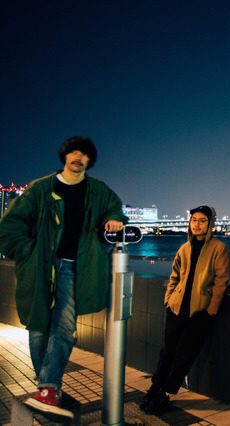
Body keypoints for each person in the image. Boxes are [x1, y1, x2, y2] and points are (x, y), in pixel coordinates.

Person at [0, 137, 126, 420]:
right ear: (65, 156)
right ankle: (48, 389)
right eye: (73, 152)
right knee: (38, 326)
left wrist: (115, 218)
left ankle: (47, 389)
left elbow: (115, 209)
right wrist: (28, 252)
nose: (78, 157)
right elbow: (9, 226)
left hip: (74, 267)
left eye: (84, 154)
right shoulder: (40, 188)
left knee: (65, 327)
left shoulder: (98, 190)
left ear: (90, 161)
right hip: (41, 267)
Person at [140, 205, 230, 415]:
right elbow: (174, 276)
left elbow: (221, 282)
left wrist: (211, 310)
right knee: (167, 352)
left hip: (199, 312)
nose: (196, 224)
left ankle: (164, 393)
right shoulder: (184, 248)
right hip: (176, 308)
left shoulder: (219, 249)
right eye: (194, 220)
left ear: (210, 224)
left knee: (184, 355)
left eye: (202, 220)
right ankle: (154, 387)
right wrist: (168, 299)